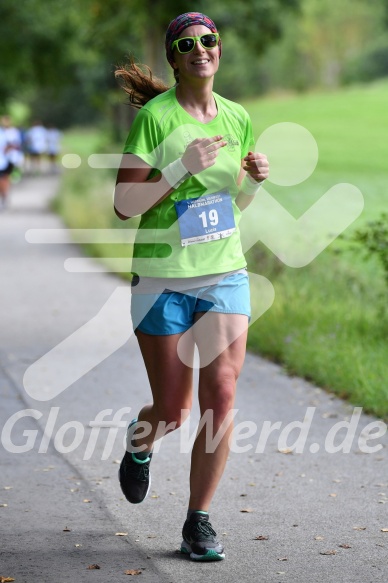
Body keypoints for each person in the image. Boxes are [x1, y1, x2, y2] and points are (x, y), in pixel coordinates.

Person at [114, 12, 269, 562]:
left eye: (209, 40)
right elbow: (124, 205)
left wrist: (251, 179)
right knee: (174, 410)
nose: (200, 48)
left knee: (221, 394)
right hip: (161, 279)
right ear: (175, 60)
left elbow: (233, 205)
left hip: (224, 273)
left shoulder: (237, 117)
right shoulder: (155, 120)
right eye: (187, 44)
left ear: (218, 50)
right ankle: (140, 443)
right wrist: (179, 167)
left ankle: (197, 521)